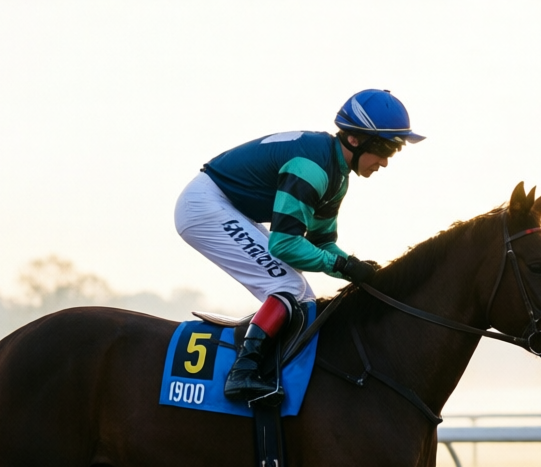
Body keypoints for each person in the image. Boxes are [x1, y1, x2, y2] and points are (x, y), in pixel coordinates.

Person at [174, 89, 424, 401]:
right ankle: (243, 373)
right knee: (289, 287)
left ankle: (267, 368)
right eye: (386, 148)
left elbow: (320, 244)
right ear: (356, 140)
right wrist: (343, 266)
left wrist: (355, 268)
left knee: (303, 295)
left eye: (394, 151)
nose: (386, 162)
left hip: (225, 205)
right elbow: (285, 245)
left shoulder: (336, 175)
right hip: (205, 207)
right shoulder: (313, 168)